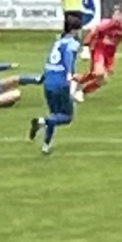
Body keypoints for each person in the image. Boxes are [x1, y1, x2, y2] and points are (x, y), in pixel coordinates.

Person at [26, 15, 84, 156]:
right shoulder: (72, 43)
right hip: (60, 82)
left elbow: (49, 61)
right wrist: (69, 74)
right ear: (74, 30)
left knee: (54, 115)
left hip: (49, 81)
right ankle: (41, 121)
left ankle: (46, 146)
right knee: (66, 117)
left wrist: (43, 77)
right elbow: (68, 56)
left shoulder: (57, 42)